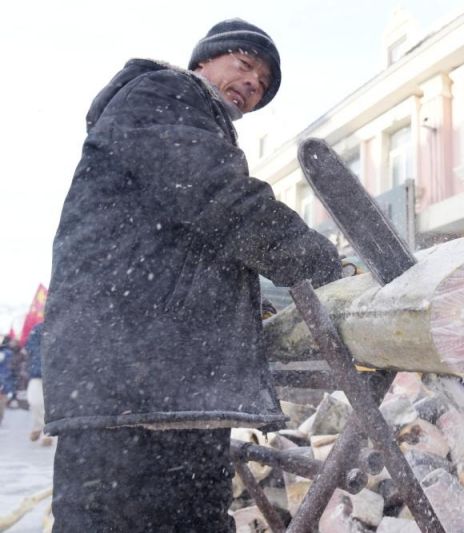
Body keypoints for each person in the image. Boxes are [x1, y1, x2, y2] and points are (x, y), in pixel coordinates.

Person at [42, 19, 341, 531]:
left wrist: (252, 312)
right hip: (131, 383)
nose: (252, 85)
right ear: (203, 61)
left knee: (195, 518)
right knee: (116, 518)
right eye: (245, 65)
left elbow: (193, 250)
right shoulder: (163, 93)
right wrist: (321, 262)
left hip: (174, 386)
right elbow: (220, 198)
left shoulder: (194, 121)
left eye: (262, 84)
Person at [25, 322, 51, 445]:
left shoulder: (65, 324)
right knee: (35, 401)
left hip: (56, 374)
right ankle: (38, 425)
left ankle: (47, 433)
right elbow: (31, 349)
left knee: (51, 405)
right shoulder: (37, 329)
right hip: (37, 373)